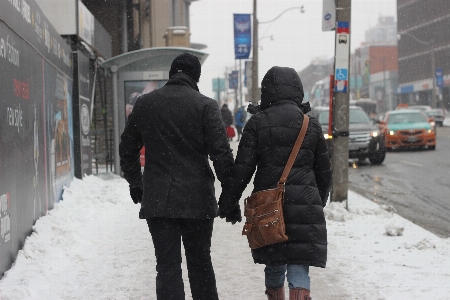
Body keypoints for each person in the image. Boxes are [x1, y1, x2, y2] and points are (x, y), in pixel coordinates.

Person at [119, 53, 238, 300]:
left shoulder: (146, 104)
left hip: (159, 200)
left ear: (172, 74)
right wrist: (230, 196)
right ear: (196, 77)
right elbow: (221, 155)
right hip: (197, 200)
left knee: (167, 266)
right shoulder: (205, 106)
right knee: (200, 264)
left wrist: (136, 183)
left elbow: (127, 147)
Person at [218, 66, 332, 300]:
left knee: (275, 260)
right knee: (299, 264)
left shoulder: (257, 124)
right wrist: (317, 201)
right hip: (305, 206)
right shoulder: (310, 124)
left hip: (268, 206)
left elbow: (242, 171)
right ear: (297, 91)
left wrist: (229, 201)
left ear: (267, 91)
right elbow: (324, 172)